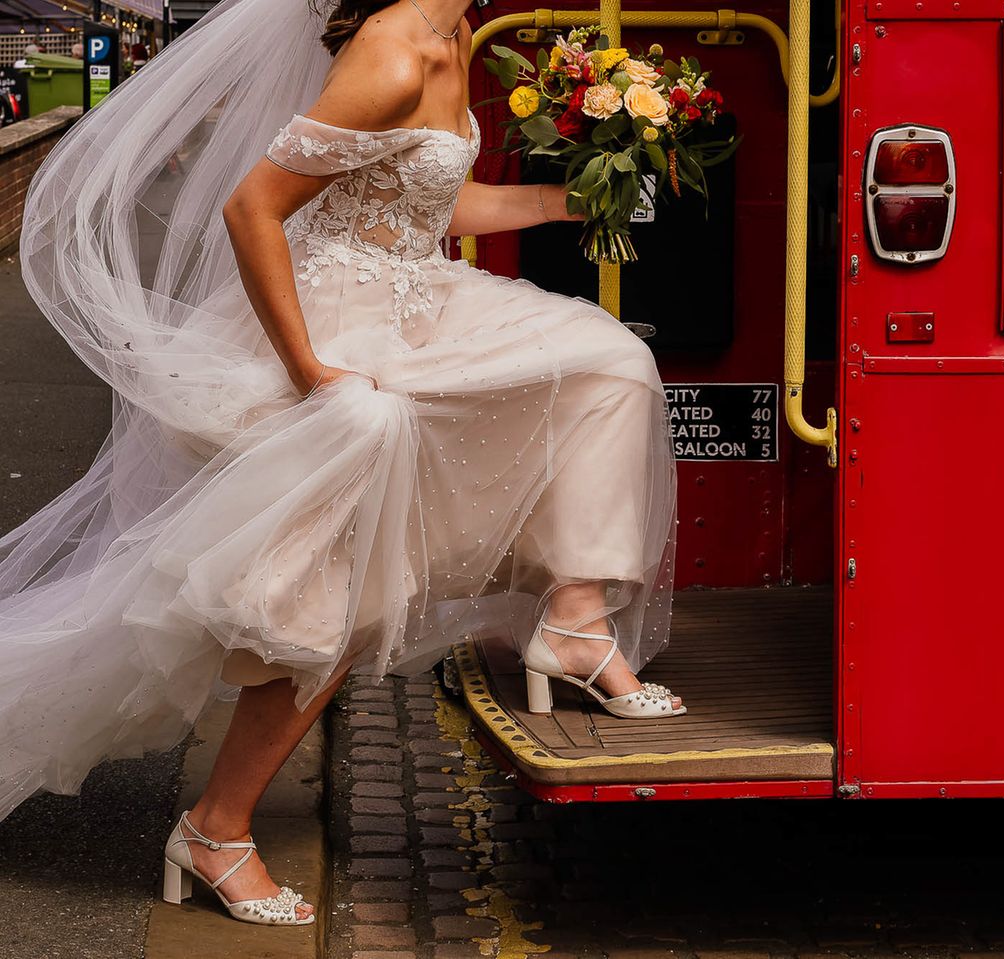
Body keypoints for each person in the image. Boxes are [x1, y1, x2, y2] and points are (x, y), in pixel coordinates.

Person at [0, 0, 682, 928]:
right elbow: (253, 209)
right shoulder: (394, 56)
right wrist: (311, 373)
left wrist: (576, 198)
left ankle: (573, 617)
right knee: (338, 584)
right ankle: (215, 827)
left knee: (610, 363)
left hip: (421, 299)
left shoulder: (452, 41)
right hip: (331, 327)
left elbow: (436, 208)